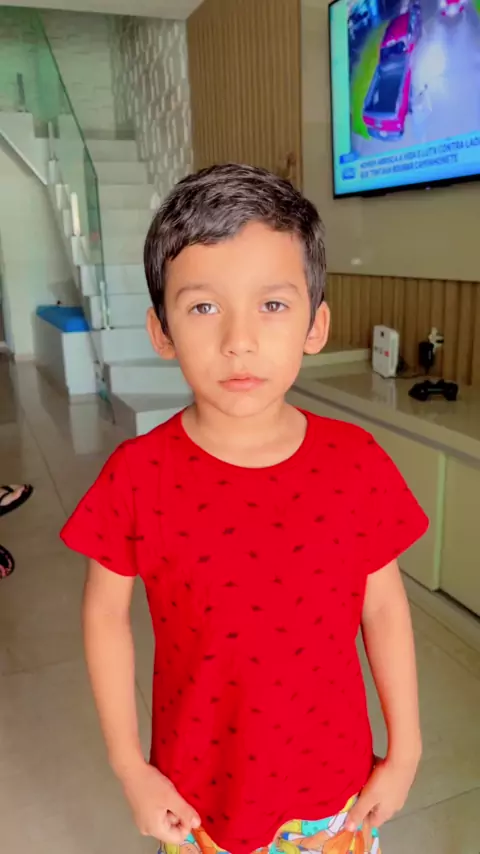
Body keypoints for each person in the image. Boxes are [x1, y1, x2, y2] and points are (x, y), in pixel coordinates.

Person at [61, 164, 428, 854]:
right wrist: (130, 767)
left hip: (336, 794)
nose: (239, 339)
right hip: (200, 797)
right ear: (161, 330)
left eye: (273, 305)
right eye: (204, 307)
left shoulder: (356, 463)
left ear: (316, 324)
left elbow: (382, 607)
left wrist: (404, 749)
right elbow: (105, 616)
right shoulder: (137, 477)